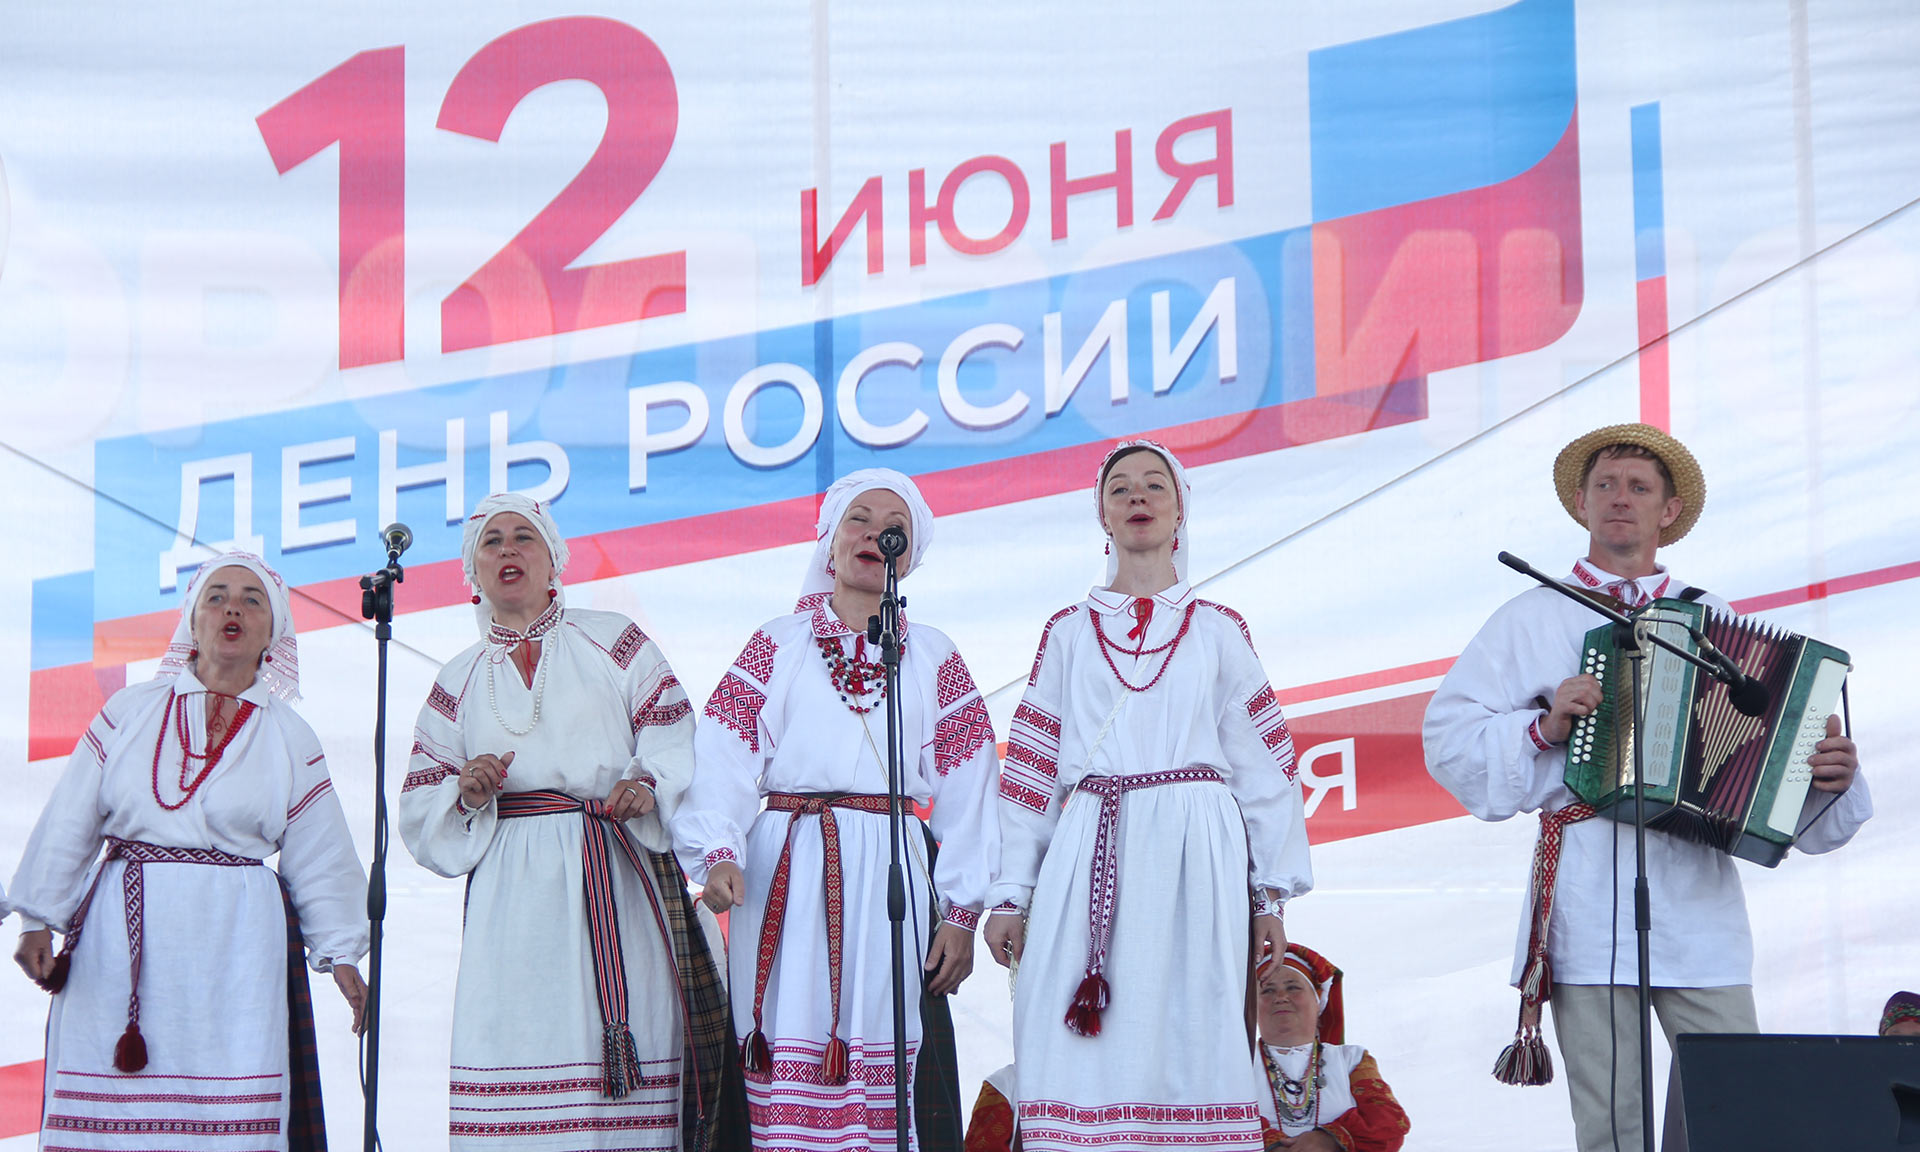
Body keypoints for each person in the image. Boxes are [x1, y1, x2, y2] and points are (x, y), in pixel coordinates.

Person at [1422, 423, 1872, 1152]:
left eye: (1638, 487)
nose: (1620, 498)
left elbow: (1776, 756)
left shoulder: (1717, 618)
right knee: (1614, 1128)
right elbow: (1447, 742)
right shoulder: (1529, 617)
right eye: (1605, 485)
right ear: (1581, 503)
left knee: (1740, 1116)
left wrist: (1828, 776)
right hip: (1588, 905)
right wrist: (1542, 729)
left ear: (1669, 510)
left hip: (1699, 907)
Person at [984, 439, 1313, 1152]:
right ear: (1101, 515)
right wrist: (1011, 892)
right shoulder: (1068, 632)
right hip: (1091, 849)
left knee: (1191, 1028)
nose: (1137, 497)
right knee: (1077, 1038)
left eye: (1154, 485)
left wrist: (1269, 897)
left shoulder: (1218, 630)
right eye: (1120, 488)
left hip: (1196, 857)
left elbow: (1266, 770)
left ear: (1180, 510)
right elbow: (1032, 769)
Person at [399, 493, 738, 1152]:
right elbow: (420, 804)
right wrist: (466, 794)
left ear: (553, 559)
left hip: (614, 871)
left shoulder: (612, 638)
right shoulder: (458, 679)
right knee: (518, 1038)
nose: (508, 549)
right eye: (492, 541)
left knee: (629, 1046)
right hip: (513, 900)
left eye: (523, 536)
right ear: (473, 570)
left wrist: (645, 782)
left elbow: (672, 729)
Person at [674, 468, 1000, 1152]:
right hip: (789, 869)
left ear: (910, 552)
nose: (875, 534)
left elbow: (972, 787)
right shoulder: (778, 643)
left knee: (890, 1038)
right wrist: (721, 852)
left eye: (894, 526)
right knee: (782, 1038)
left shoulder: (932, 654)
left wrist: (962, 913)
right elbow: (724, 753)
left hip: (891, 869)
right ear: (829, 540)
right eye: (860, 519)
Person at [9, 551, 368, 1150]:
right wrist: (36, 917)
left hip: (236, 952)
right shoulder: (130, 711)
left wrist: (342, 953)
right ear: (192, 622)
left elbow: (321, 853)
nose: (233, 609)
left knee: (225, 1112)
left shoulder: (290, 735)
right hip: (120, 946)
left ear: (274, 632)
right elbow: (72, 816)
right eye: (216, 597)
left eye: (252, 600)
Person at [1253, 944, 1409, 1152]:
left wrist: (1328, 1139)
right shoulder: (1235, 1064)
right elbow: (1214, 1118)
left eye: (1293, 987)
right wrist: (1271, 1144)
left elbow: (1389, 1124)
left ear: (1318, 1001)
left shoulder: (1351, 1060)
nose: (1281, 997)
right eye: (1268, 990)